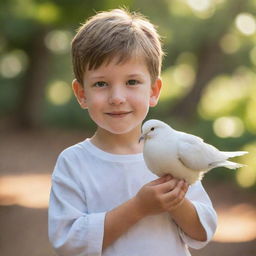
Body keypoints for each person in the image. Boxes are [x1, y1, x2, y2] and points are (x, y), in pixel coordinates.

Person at [48, 8, 217, 256]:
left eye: (132, 82)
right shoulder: (74, 163)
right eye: (101, 84)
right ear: (82, 93)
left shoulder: (176, 151)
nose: (117, 98)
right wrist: (138, 207)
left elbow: (203, 232)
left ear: (154, 90)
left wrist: (176, 202)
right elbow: (68, 242)